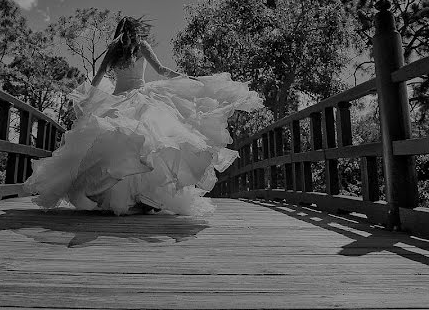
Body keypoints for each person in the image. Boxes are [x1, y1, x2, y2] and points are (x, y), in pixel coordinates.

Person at [22, 16, 261, 216]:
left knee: (116, 148)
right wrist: (189, 79)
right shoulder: (142, 46)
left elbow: (99, 76)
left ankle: (123, 198)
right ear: (135, 31)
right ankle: (141, 198)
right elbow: (162, 71)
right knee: (150, 145)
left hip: (118, 99)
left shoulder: (113, 50)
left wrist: (89, 97)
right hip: (142, 96)